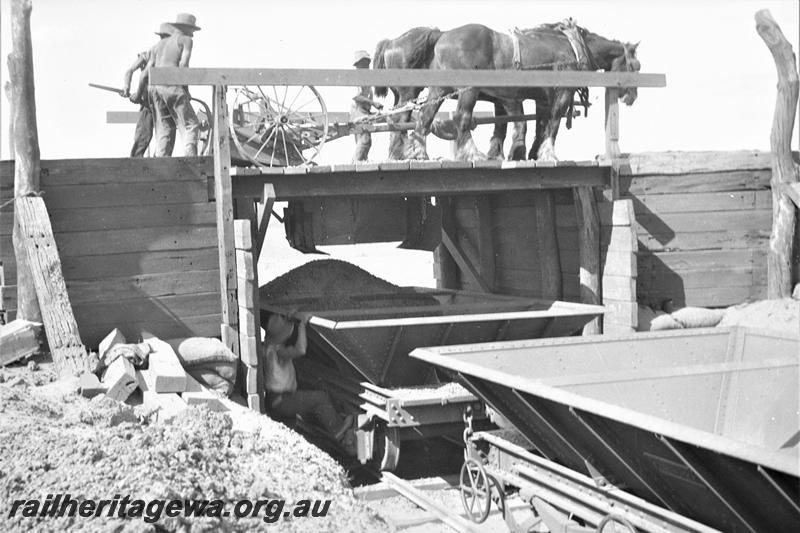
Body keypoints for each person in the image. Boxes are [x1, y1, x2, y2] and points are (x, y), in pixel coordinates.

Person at [263, 311, 354, 449]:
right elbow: (301, 350)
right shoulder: (279, 352)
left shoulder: (267, 348)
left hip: (275, 400)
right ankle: (339, 432)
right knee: (320, 398)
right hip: (283, 401)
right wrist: (302, 326)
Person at [147, 13, 201, 157]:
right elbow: (184, 65)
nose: (193, 34)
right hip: (172, 86)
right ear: (186, 28)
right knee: (191, 124)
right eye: (192, 30)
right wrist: (186, 90)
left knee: (165, 127)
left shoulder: (159, 44)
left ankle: (162, 163)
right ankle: (192, 161)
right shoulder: (185, 40)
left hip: (156, 89)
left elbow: (149, 69)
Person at [122, 23, 176, 157]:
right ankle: (135, 166)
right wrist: (126, 87)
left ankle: (161, 166)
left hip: (164, 104)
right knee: (142, 137)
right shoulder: (150, 53)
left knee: (166, 138)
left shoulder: (173, 57)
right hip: (147, 103)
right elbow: (130, 71)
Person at [350, 50, 382, 162]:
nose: (367, 66)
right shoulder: (357, 78)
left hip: (364, 112)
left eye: (368, 63)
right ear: (359, 65)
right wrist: (373, 103)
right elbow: (356, 97)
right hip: (357, 112)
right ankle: (355, 164)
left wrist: (373, 111)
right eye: (365, 63)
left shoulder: (366, 80)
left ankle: (360, 161)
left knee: (365, 141)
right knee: (365, 140)